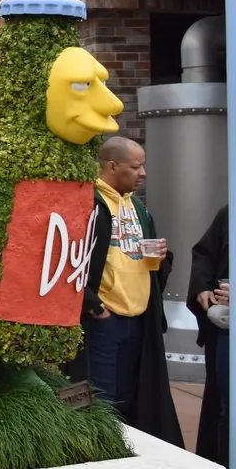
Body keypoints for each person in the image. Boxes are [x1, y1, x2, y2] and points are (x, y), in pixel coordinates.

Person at [66, 136, 183, 446]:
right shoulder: (89, 203)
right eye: (136, 166)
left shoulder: (139, 207)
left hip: (138, 318)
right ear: (113, 166)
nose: (142, 172)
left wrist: (161, 258)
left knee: (132, 395)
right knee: (98, 397)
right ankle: (94, 455)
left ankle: (127, 453)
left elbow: (144, 260)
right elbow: (68, 260)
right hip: (104, 318)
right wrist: (94, 306)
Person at [188, 204, 229, 468]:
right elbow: (205, 253)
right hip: (227, 329)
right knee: (227, 407)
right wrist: (202, 287)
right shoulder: (232, 212)